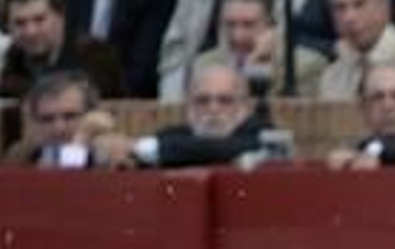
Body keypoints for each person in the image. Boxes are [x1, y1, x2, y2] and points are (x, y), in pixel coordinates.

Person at [94, 59, 273, 168]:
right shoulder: (175, 135)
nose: (213, 109)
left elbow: (215, 148)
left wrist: (136, 147)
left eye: (225, 100)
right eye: (203, 100)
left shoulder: (261, 134)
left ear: (245, 106)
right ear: (189, 106)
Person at [191, 0, 329, 98]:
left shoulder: (305, 64)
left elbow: (272, 112)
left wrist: (257, 62)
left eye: (248, 25)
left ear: (271, 25)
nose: (238, 35)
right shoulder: (205, 64)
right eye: (230, 24)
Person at [0, 0, 126, 100]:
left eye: (39, 20)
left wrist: (0, 83)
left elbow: (63, 99)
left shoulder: (94, 54)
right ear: (8, 26)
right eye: (20, 23)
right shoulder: (15, 54)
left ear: (60, 17)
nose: (31, 31)